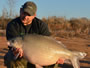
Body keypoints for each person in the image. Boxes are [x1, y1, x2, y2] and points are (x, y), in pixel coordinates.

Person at [4, 1, 64, 68]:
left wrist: (60, 56)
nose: (25, 17)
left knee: (54, 63)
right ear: (20, 10)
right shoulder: (12, 25)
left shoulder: (41, 25)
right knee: (11, 57)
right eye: (24, 13)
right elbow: (12, 43)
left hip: (40, 55)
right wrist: (15, 50)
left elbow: (49, 43)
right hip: (23, 56)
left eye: (29, 15)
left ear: (34, 15)